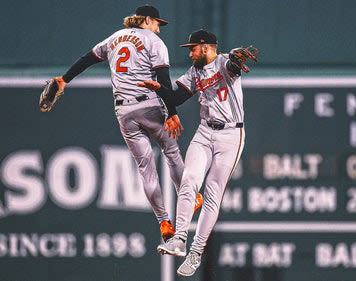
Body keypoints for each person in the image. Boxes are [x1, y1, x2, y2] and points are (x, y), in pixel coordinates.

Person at [49, 5, 203, 242]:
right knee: (171, 152)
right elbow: (162, 80)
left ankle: (163, 221)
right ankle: (189, 197)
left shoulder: (114, 38)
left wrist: (65, 79)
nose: (158, 29)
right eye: (157, 24)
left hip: (124, 111)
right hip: (150, 105)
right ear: (148, 20)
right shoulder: (153, 41)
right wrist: (171, 112)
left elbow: (86, 60)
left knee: (145, 167)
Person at [140, 29, 251, 277]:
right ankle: (179, 239)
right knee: (189, 180)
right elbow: (177, 97)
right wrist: (158, 88)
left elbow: (233, 66)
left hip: (231, 135)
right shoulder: (195, 73)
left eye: (192, 48)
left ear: (205, 47)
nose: (190, 53)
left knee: (212, 192)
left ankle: (196, 253)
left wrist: (236, 60)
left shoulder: (223, 62)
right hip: (204, 132)